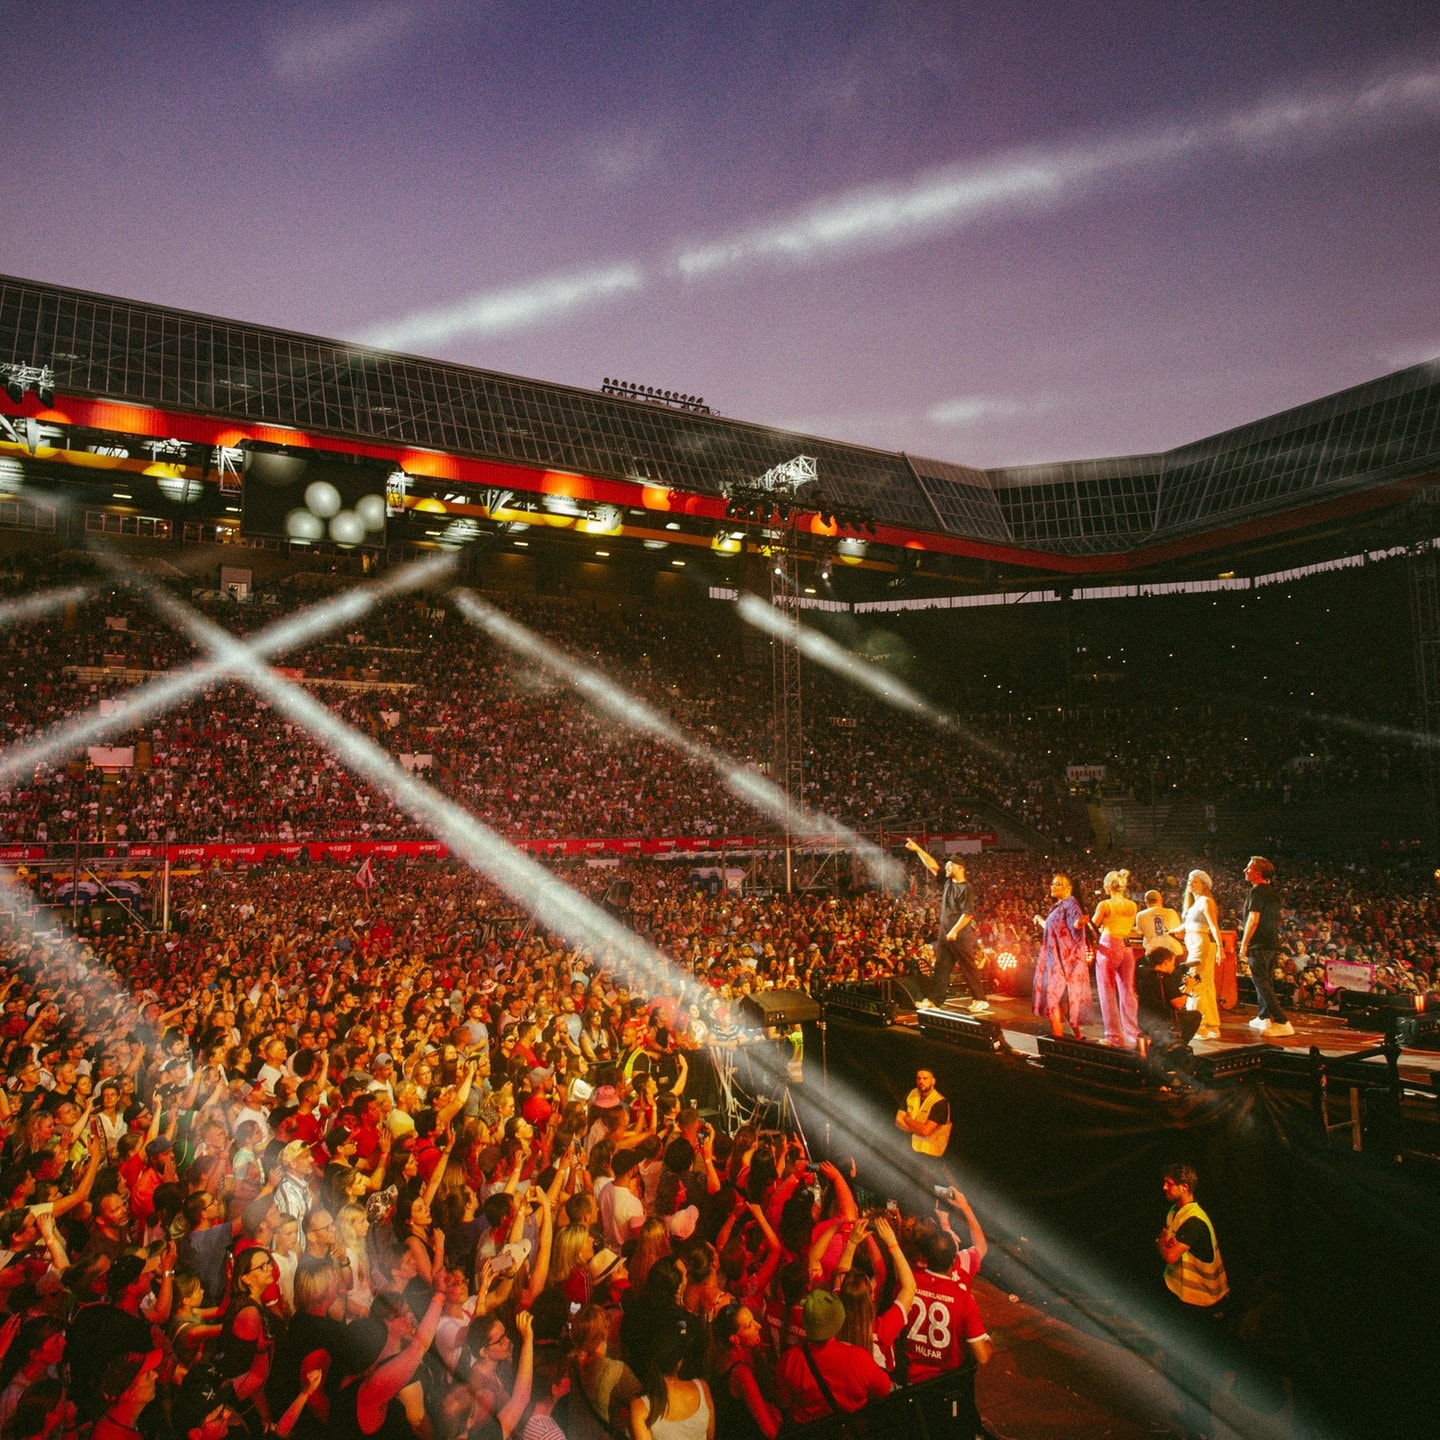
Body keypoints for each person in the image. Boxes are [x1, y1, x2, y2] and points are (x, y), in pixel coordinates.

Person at [1156, 1163, 1229, 1440]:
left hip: (1203, 1303)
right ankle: (1192, 1416)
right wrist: (1165, 1245)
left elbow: (1169, 1253)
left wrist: (1162, 1245)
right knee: (1176, 1360)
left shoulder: (1195, 1221)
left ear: (1184, 1188)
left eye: (1169, 1182)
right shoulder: (1176, 1211)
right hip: (1183, 1296)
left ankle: (1204, 1427)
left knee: (1193, 1366)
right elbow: (1168, 1244)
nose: (1164, 1187)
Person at [776, 1288, 891, 1425]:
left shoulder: (789, 1360)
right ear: (838, 1320)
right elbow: (884, 1390)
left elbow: (783, 1402)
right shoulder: (859, 1358)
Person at [904, 839, 988, 1011]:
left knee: (968, 966)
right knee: (941, 968)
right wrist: (918, 849)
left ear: (960, 868)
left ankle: (980, 999)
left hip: (960, 935)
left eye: (950, 865)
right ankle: (936, 1000)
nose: (947, 868)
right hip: (946, 933)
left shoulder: (966, 889)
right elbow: (932, 866)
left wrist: (955, 931)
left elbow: (968, 914)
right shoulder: (948, 882)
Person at [1134, 891, 1200, 1060]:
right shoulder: (1171, 912)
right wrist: (1189, 988)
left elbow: (1140, 932)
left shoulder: (1143, 973)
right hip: (1171, 949)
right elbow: (1177, 1003)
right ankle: (1176, 1045)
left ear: (1147, 901)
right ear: (1161, 900)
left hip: (1144, 1018)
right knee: (1191, 1013)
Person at [1239, 857, 1294, 1038]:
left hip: (1259, 943)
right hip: (1271, 942)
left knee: (1261, 982)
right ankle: (1263, 1016)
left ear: (1258, 873)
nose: (1245, 870)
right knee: (1266, 981)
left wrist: (1244, 944)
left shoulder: (1256, 892)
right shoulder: (1272, 892)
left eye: (1249, 868)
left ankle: (1282, 1021)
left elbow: (1253, 920)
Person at [1033, 874, 1090, 1040]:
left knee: (1054, 999)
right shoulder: (1059, 906)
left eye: (1057, 884)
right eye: (1052, 883)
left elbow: (1075, 924)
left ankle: (1058, 1038)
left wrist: (1079, 923)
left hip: (1064, 961)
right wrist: (1039, 919)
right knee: (1061, 1001)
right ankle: (1077, 1036)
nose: (1053, 887)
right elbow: (1053, 929)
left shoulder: (1071, 905)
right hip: (1054, 959)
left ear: (1068, 888)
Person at [1092, 869, 1140, 1048]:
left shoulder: (1105, 905)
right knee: (1128, 991)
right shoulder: (1132, 905)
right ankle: (1135, 1035)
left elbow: (1093, 926)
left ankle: (1114, 1037)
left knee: (1107, 991)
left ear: (1107, 886)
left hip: (1109, 945)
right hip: (1127, 947)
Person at [1181, 872, 1225, 1042]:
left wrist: (1220, 948)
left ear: (1204, 885)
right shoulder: (1194, 904)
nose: (1190, 884)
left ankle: (1197, 1027)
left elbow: (1214, 926)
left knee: (1195, 983)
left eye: (1195, 882)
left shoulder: (1205, 901)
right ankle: (1211, 1026)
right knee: (1205, 986)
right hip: (1194, 943)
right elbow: (1185, 927)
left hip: (1200, 944)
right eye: (1190, 881)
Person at [894, 1069, 951, 1180]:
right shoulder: (911, 1094)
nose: (921, 1081)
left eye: (925, 1078)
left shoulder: (939, 1102)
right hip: (910, 1150)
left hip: (930, 1157)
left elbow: (926, 1131)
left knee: (923, 1191)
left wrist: (909, 1120)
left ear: (933, 1081)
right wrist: (915, 1129)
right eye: (918, 1078)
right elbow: (898, 1121)